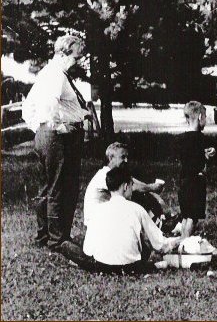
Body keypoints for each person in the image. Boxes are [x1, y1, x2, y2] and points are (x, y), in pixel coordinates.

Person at [22, 35, 88, 249]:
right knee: (62, 187)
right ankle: (57, 239)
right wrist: (58, 127)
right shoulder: (56, 76)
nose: (78, 62)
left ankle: (46, 236)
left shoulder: (50, 73)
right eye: (76, 58)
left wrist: (39, 128)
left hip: (49, 135)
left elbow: (29, 106)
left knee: (49, 187)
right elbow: (50, 104)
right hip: (58, 137)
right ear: (63, 54)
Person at [76, 166, 183, 273]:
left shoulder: (97, 210)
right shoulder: (137, 209)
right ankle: (152, 266)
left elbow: (88, 249)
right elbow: (161, 245)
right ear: (126, 187)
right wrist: (181, 240)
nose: (132, 190)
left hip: (100, 266)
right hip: (129, 267)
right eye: (132, 186)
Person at [83, 142, 167, 228]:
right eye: (123, 157)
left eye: (127, 157)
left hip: (106, 217)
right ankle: (156, 225)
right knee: (134, 195)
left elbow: (135, 182)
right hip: (97, 223)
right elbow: (133, 187)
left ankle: (158, 223)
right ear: (111, 158)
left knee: (139, 193)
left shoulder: (115, 173)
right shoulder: (106, 174)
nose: (126, 160)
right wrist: (152, 188)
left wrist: (155, 194)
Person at [178, 101, 216, 238]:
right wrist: (208, 154)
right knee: (193, 218)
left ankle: (182, 241)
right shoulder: (201, 138)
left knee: (185, 216)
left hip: (183, 181)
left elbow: (188, 157)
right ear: (200, 117)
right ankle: (185, 243)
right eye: (205, 117)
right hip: (196, 181)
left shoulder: (181, 139)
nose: (205, 121)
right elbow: (200, 159)